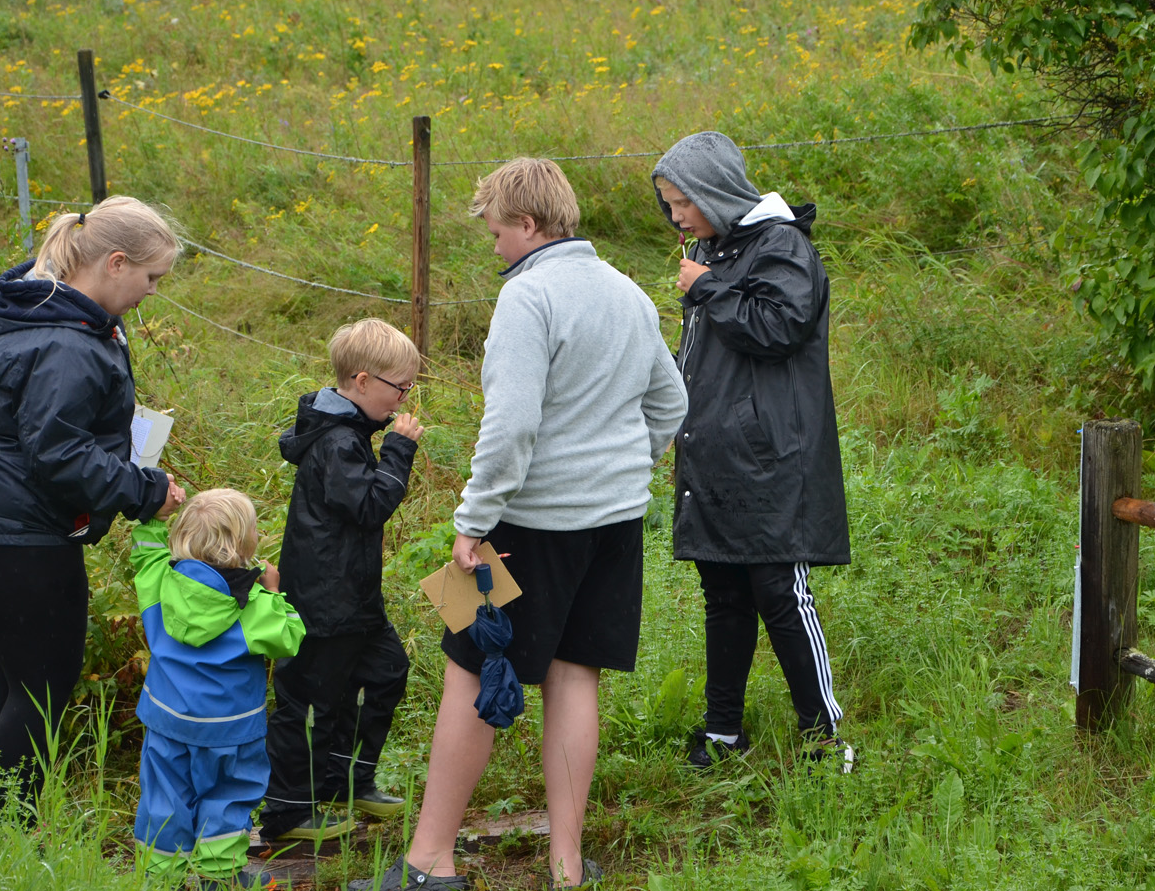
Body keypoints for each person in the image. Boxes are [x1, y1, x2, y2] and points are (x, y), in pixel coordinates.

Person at [363, 158, 687, 891]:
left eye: (499, 230)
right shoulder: (628, 292)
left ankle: (428, 864)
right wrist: (622, 466)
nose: (495, 246)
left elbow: (510, 428)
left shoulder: (527, 296)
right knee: (576, 675)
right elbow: (672, 404)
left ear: (531, 225)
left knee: (466, 671)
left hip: (526, 524)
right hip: (615, 520)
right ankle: (567, 866)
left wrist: (471, 522)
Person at [0, 196, 187, 808]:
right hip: (16, 530)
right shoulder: (67, 344)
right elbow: (60, 454)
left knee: (14, 675)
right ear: (116, 263)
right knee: (42, 686)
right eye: (151, 278)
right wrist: (145, 490)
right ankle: (7, 824)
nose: (153, 291)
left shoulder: (49, 313)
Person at [652, 131, 854, 772]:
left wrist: (707, 289)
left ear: (715, 190)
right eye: (669, 204)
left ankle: (825, 739)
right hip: (715, 454)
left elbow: (782, 327)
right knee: (724, 590)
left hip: (771, 456)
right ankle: (722, 732)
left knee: (779, 588)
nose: (677, 216)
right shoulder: (715, 250)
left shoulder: (782, 244)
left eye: (683, 201)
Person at [260, 318, 425, 842]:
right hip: (324, 599)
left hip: (354, 597)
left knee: (386, 671)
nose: (403, 399)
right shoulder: (338, 442)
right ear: (360, 381)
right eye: (398, 387)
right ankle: (287, 811)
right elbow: (370, 506)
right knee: (311, 700)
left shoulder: (351, 431)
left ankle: (345, 779)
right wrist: (399, 452)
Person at [130, 488, 305, 889]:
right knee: (228, 796)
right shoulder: (253, 602)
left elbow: (145, 550)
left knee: (164, 798)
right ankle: (217, 876)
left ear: (183, 534)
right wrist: (274, 590)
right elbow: (290, 637)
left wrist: (154, 514)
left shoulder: (160, 580)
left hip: (167, 719)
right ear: (245, 543)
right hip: (231, 728)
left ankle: (160, 877)